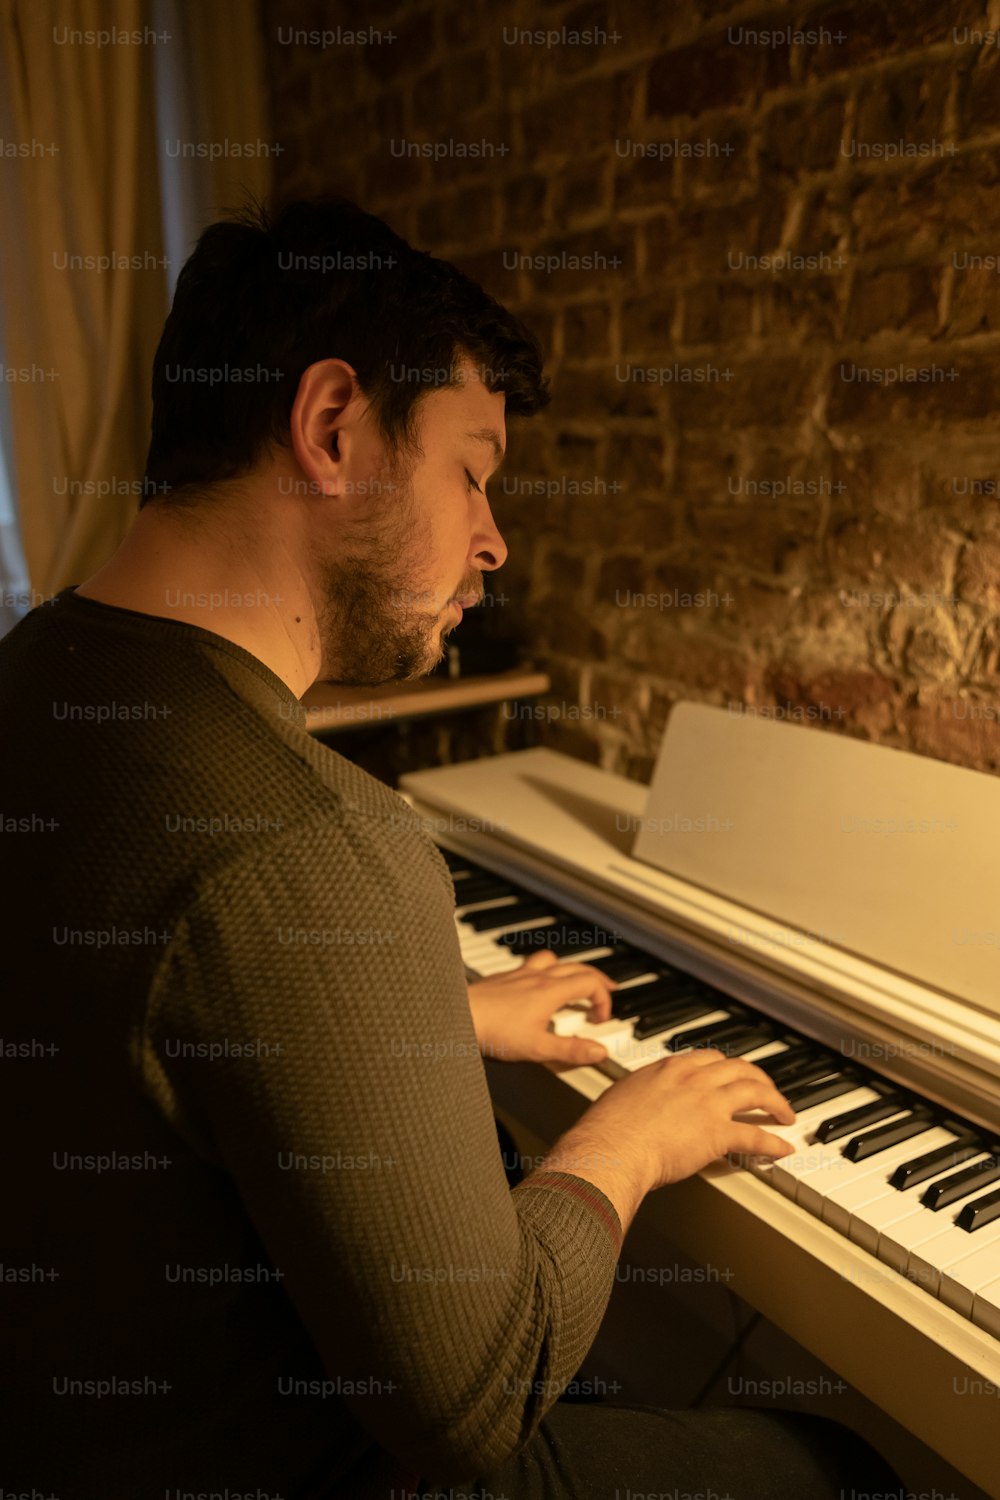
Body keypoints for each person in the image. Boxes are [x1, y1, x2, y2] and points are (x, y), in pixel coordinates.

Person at [0, 197, 900, 1498]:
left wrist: (414, 1015)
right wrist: (625, 1143)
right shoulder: (308, 843)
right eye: (470, 472)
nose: (495, 539)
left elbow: (136, 1000)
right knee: (844, 1465)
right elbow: (474, 1400)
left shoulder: (36, 672)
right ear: (331, 430)